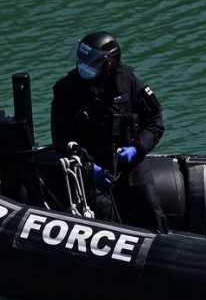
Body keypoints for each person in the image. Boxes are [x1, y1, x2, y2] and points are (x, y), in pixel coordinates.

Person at [49, 31, 166, 227]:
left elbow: (154, 121)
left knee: (152, 213)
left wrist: (137, 148)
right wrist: (87, 167)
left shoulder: (129, 82)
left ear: (110, 62)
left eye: (91, 62)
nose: (83, 67)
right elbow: (60, 139)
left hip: (130, 165)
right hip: (92, 170)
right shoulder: (65, 90)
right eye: (81, 61)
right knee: (104, 219)